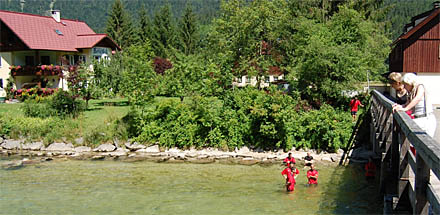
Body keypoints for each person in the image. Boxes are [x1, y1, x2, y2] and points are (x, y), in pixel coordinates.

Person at [392, 73, 437, 138]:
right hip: (418, 119)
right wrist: (400, 106)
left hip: (426, 119)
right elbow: (407, 103)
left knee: (424, 143)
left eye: (405, 84)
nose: (404, 87)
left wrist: (405, 109)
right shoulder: (411, 91)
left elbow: (417, 98)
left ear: (410, 83)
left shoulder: (420, 86)